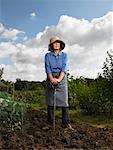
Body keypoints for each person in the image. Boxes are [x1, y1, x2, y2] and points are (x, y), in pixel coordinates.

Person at [45, 36, 73, 129]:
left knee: (64, 101)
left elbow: (64, 68)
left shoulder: (64, 55)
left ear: (60, 45)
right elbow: (48, 68)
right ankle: (49, 123)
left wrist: (59, 79)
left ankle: (66, 124)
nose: (56, 44)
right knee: (50, 101)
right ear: (51, 45)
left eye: (58, 43)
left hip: (62, 77)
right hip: (51, 77)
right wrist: (52, 79)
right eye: (54, 43)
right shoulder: (47, 56)